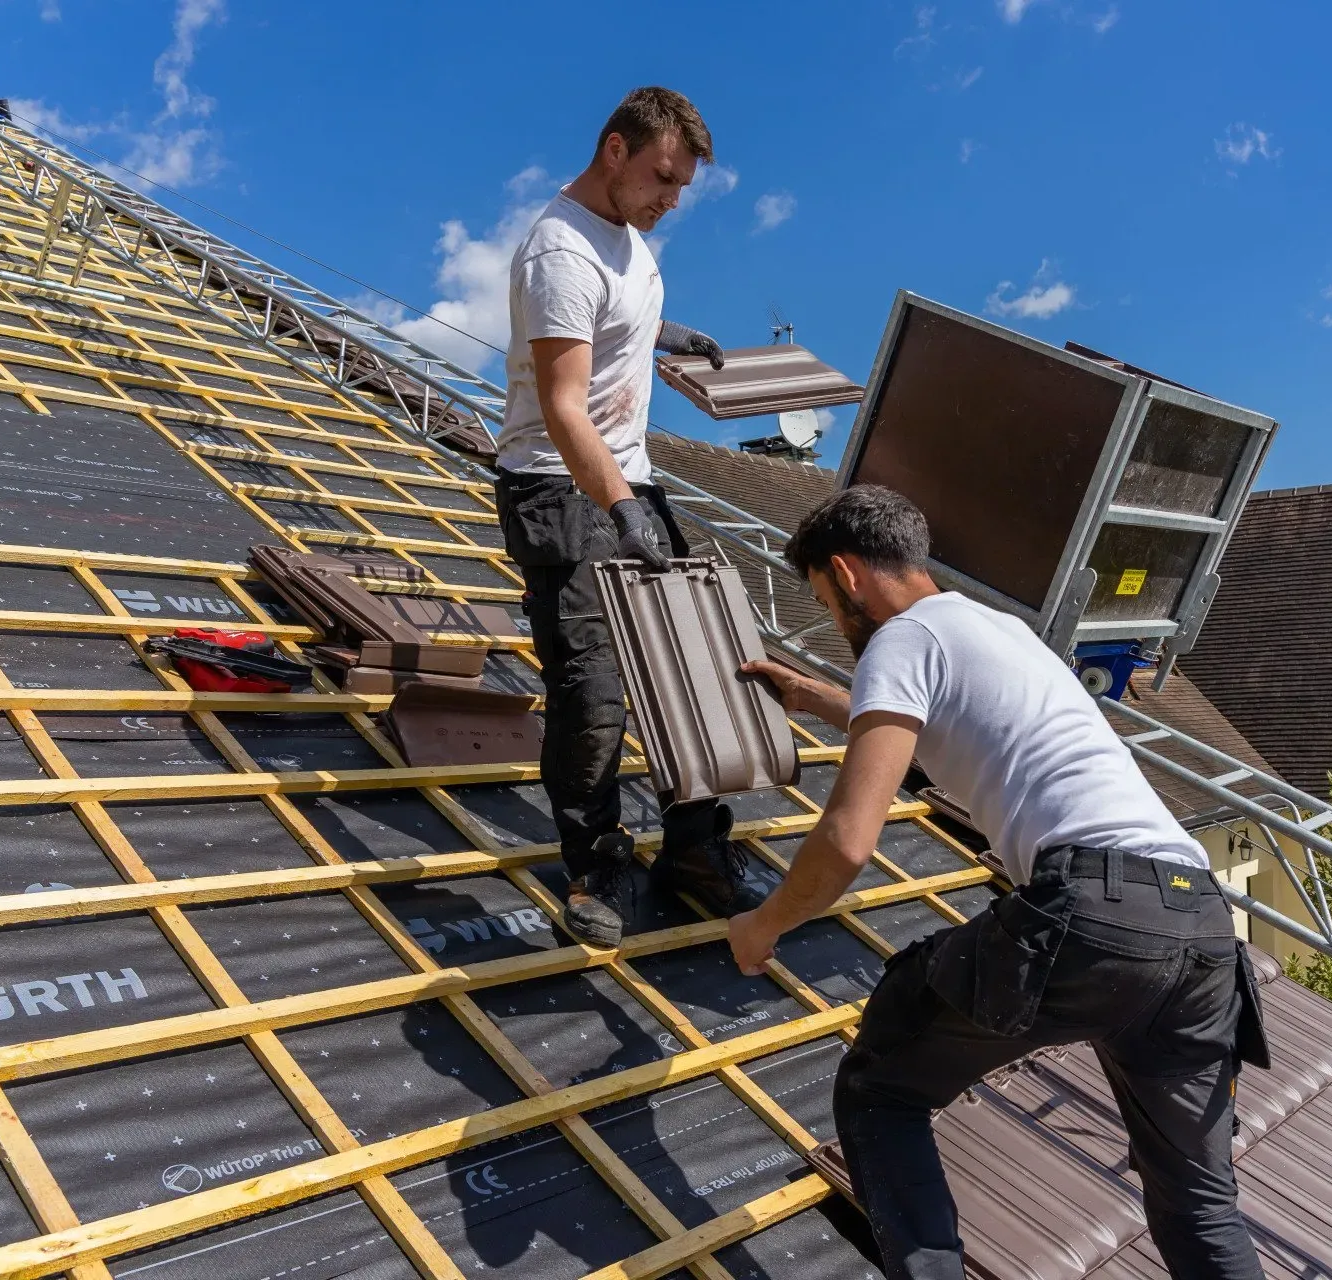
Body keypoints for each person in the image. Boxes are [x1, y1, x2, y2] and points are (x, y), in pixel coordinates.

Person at [730, 485, 1266, 1280]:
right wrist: (823, 700)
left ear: (846, 575)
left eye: (823, 600)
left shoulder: (900, 642)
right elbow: (952, 731)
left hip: (1094, 914)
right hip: (1201, 929)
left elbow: (847, 841)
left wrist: (764, 924)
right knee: (1197, 1202)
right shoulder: (999, 630)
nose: (836, 625)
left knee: (883, 1088)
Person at [495, 86, 765, 947]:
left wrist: (667, 333)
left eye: (681, 185)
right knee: (593, 691)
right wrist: (620, 510)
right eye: (661, 177)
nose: (670, 199)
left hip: (625, 478)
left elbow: (613, 321)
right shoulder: (558, 254)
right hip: (557, 484)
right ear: (614, 149)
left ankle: (692, 850)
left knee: (698, 660)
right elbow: (564, 405)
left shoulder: (628, 240)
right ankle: (596, 863)